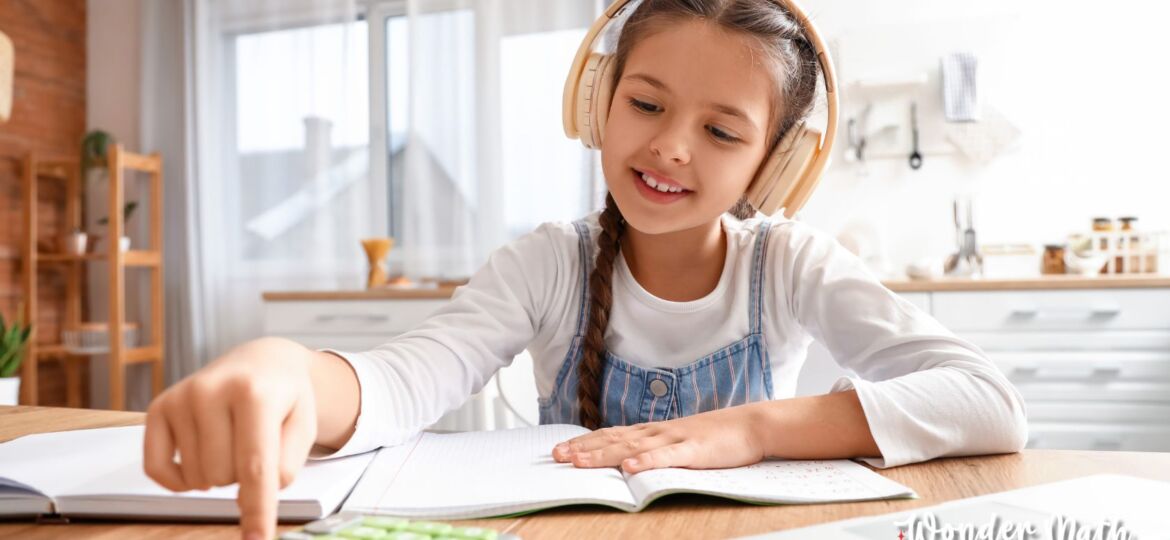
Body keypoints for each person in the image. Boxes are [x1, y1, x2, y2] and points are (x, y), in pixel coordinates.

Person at [143, 1, 1028, 539]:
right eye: (646, 103)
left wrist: (756, 428)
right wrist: (287, 369)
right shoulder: (547, 265)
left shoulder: (789, 263)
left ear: (772, 167)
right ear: (597, 104)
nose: (671, 146)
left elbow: (986, 403)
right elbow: (399, 382)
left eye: (722, 131)